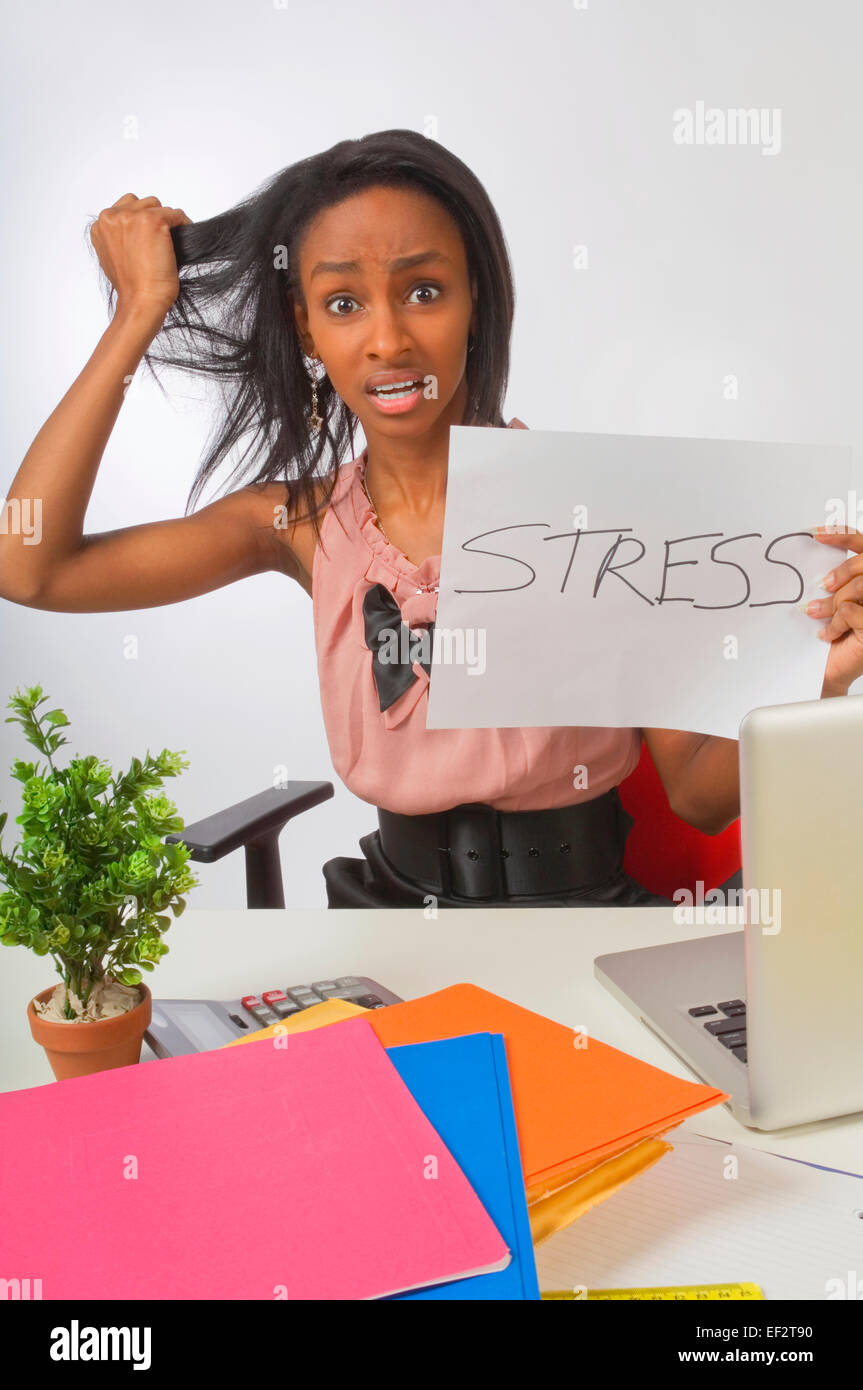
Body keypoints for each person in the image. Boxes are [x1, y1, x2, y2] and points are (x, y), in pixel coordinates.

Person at [1, 130, 861, 909]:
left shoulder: (597, 502)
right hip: (388, 915)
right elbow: (30, 566)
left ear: (474, 298)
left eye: (422, 290)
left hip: (580, 917)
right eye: (343, 304)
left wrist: (825, 674)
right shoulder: (297, 522)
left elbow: (701, 799)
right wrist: (135, 315)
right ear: (303, 327)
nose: (387, 341)